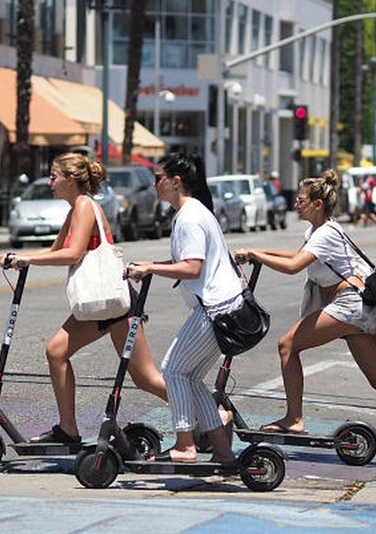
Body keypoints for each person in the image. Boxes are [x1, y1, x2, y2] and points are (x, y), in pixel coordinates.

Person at [234, 169, 376, 457]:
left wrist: (256, 255)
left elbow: (294, 266)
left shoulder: (326, 234)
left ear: (317, 204)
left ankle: (294, 419)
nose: (295, 204)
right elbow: (296, 255)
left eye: (301, 200)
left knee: (287, 345)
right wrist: (255, 250)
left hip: (348, 305)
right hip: (355, 309)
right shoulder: (318, 231)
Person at [0, 152, 168, 444]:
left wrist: (27, 260)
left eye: (54, 176)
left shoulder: (84, 206)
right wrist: (17, 257)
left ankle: (211, 414)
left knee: (145, 378)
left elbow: (73, 253)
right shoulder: (74, 208)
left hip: (114, 303)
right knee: (56, 351)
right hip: (98, 304)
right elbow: (54, 252)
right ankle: (68, 430)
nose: (50, 182)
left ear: (71, 179)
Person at [126, 152, 238, 465]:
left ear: (176, 182)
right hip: (223, 309)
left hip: (215, 310)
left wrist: (150, 269)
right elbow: (184, 264)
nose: (154, 184)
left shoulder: (189, 216)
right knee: (189, 378)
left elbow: (191, 268)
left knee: (173, 370)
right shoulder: (190, 212)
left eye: (159, 178)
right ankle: (223, 451)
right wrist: (148, 266)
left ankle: (185, 445)